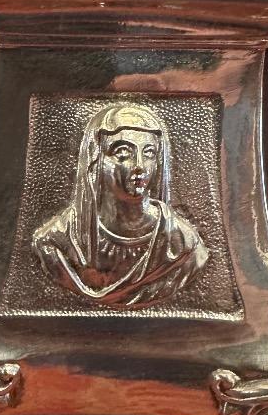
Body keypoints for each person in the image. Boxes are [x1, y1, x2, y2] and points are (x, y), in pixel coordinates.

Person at [32, 103, 208, 309]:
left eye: (149, 152)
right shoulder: (58, 241)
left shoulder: (182, 245)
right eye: (123, 152)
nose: (139, 165)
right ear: (95, 161)